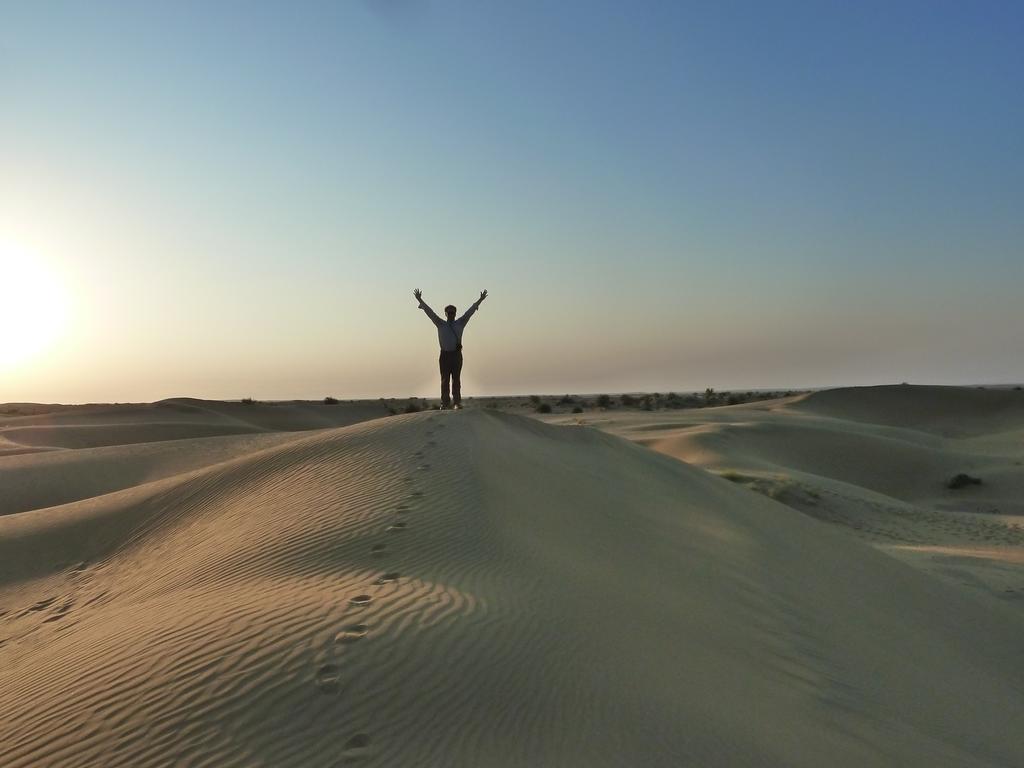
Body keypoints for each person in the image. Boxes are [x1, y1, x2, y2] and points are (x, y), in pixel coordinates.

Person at [414, 288, 488, 409]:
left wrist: (480, 300)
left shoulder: (461, 322)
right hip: (444, 356)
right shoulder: (440, 323)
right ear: (445, 313)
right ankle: (445, 403)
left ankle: (457, 403)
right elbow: (430, 312)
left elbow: (470, 311)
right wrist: (420, 299)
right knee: (444, 380)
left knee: (456, 380)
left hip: (456, 355)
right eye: (449, 312)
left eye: (452, 312)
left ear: (455, 313)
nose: (451, 314)